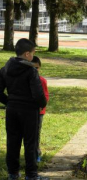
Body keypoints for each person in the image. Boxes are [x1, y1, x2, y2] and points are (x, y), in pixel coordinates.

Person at [0, 38, 49, 180]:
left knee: (13, 141)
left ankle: (13, 173)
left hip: (12, 110)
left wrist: (9, 101)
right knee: (30, 143)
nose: (33, 56)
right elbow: (38, 94)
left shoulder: (5, 68)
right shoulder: (31, 70)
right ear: (27, 54)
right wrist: (42, 103)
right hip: (29, 111)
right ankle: (31, 174)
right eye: (33, 53)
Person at [32, 56, 49, 163]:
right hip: (28, 110)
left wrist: (41, 106)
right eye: (32, 68)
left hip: (39, 112)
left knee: (36, 132)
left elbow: (45, 95)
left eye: (37, 68)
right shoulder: (26, 79)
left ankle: (37, 153)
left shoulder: (41, 80)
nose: (35, 70)